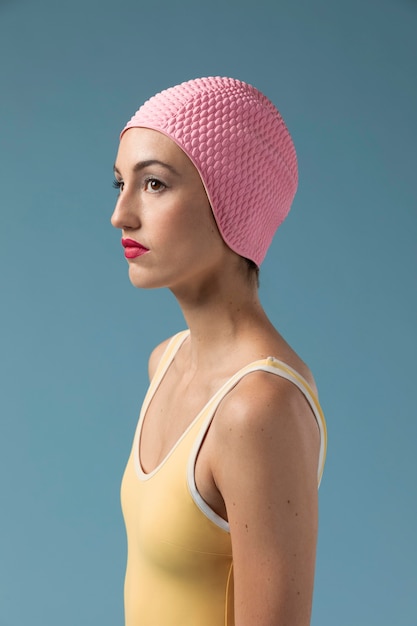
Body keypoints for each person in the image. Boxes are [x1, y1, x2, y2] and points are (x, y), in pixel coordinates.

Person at [111, 76, 327, 626]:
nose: (122, 215)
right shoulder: (166, 361)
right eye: (120, 185)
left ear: (232, 198)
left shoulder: (259, 409)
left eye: (155, 185)